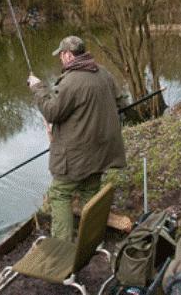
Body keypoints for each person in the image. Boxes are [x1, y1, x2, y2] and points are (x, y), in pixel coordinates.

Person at [27, 35, 126, 241]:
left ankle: (62, 247)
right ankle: (91, 240)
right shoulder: (104, 73)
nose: (60, 60)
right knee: (90, 190)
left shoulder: (71, 81)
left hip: (76, 157)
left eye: (61, 55)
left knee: (60, 194)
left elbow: (52, 112)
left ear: (68, 55)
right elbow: (121, 102)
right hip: (101, 153)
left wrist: (38, 88)